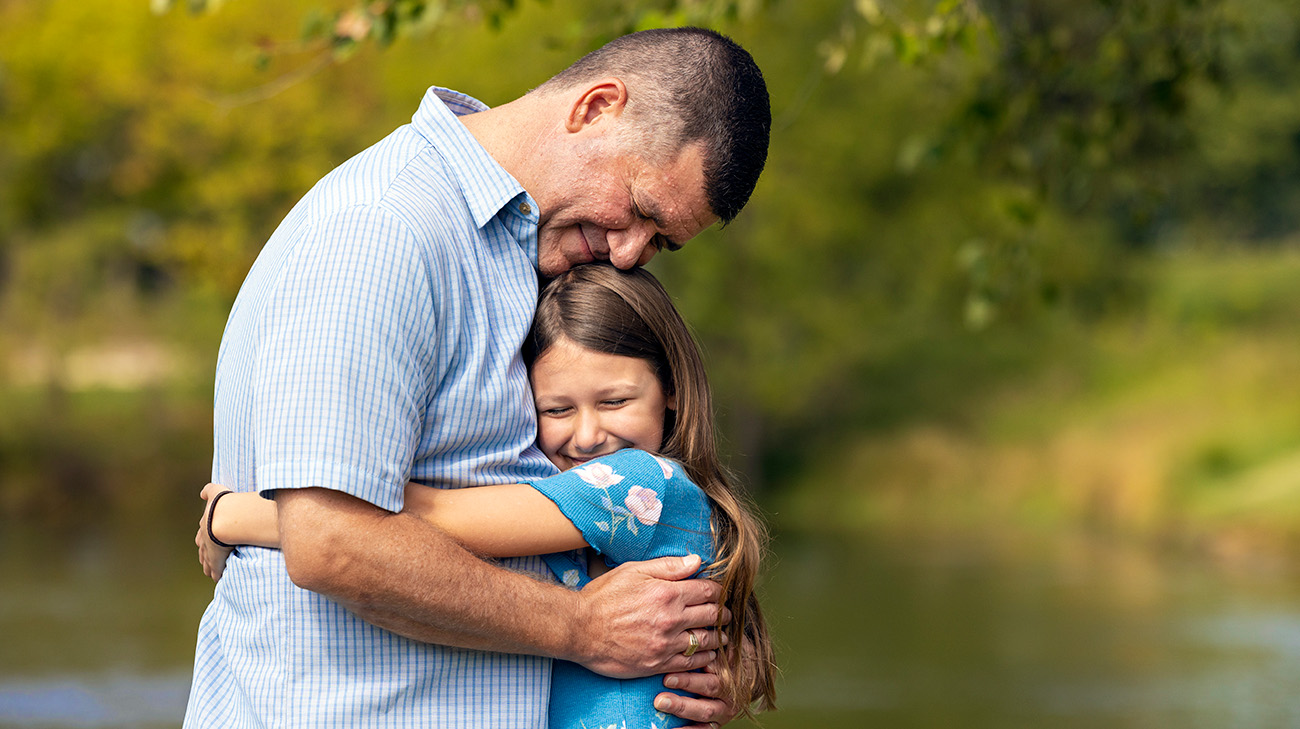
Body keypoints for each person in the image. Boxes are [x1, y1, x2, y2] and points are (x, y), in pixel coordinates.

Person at [183, 26, 770, 729]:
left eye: (660, 241)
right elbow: (333, 540)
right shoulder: (387, 231)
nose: (629, 254)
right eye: (640, 211)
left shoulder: (527, 255)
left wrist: (688, 659)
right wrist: (581, 627)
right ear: (596, 107)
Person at [197, 264, 778, 728]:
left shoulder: (642, 484)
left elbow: (440, 517)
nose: (586, 433)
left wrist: (238, 514)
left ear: (672, 391)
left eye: (614, 401)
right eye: (556, 409)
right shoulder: (579, 506)